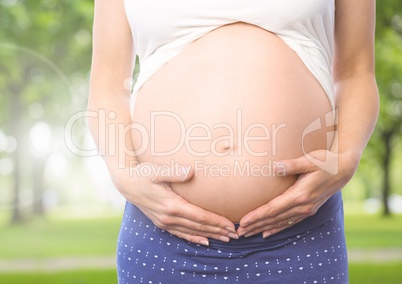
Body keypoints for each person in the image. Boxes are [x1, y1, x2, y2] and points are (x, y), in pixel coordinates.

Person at [88, 0, 379, 283]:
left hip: (301, 229)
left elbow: (356, 73)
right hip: (163, 231)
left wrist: (344, 159)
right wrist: (124, 175)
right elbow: (108, 86)